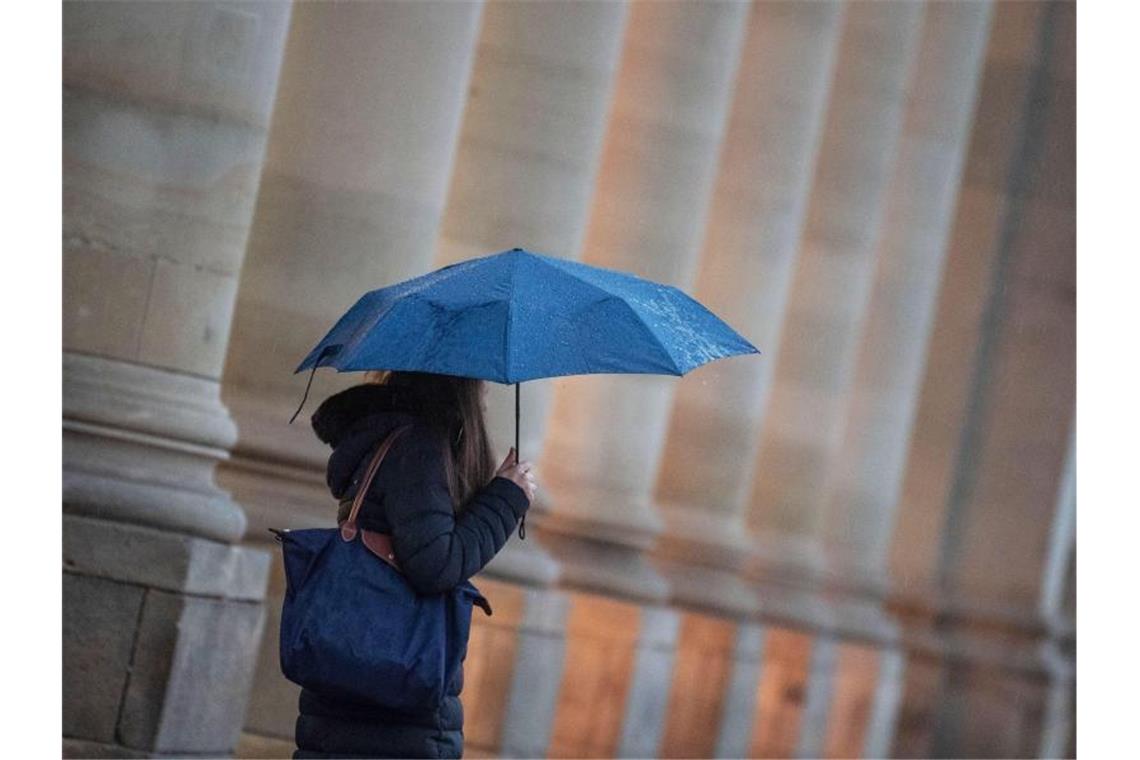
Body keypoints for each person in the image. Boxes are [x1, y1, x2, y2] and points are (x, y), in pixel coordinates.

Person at [293, 370, 535, 759]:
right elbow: (435, 563)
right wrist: (506, 498)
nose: (488, 389)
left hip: (365, 699)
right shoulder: (417, 449)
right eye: (482, 379)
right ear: (459, 381)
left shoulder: (398, 441)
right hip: (394, 706)